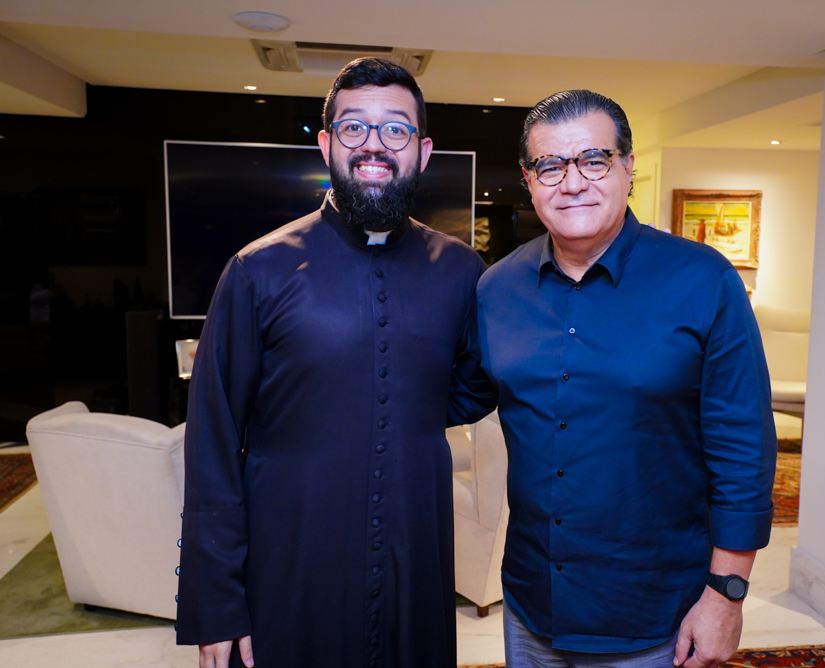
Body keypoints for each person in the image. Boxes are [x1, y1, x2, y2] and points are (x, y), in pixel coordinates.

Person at [175, 57, 497, 668]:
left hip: (414, 559)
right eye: (354, 127)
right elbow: (212, 438)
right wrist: (215, 599)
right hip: (290, 564)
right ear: (326, 145)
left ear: (423, 151)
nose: (374, 145)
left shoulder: (460, 270)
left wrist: (407, 412)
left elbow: (478, 381)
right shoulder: (258, 270)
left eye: (395, 129)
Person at [476, 90, 777, 668]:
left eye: (594, 160)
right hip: (533, 604)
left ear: (628, 167)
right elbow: (446, 395)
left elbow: (744, 450)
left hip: (654, 611)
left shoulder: (703, 281)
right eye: (550, 166)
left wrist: (727, 595)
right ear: (529, 180)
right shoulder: (497, 289)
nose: (573, 183)